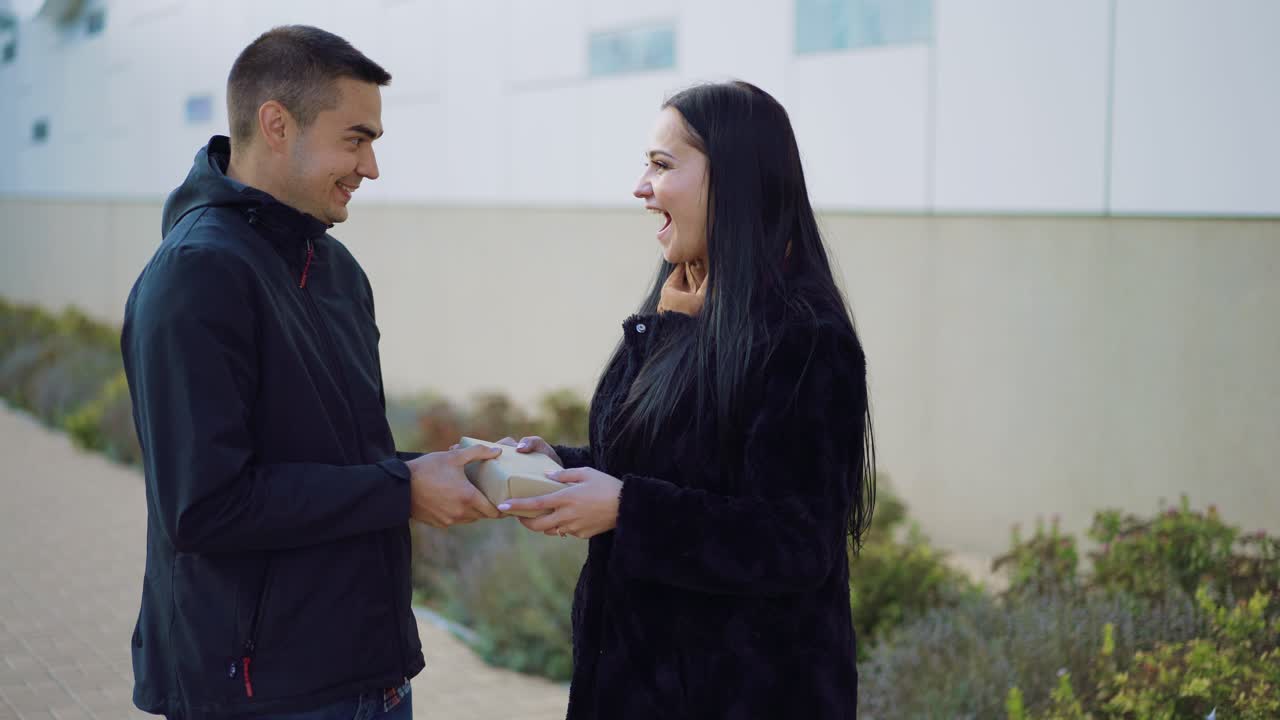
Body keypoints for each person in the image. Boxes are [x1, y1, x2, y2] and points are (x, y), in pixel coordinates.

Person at [121, 25, 501, 720]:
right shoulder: (197, 275)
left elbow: (335, 462)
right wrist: (402, 489)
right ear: (277, 124)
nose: (371, 168)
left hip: (372, 677)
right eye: (356, 139)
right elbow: (205, 507)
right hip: (263, 697)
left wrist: (437, 471)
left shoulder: (334, 270)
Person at [498, 81, 877, 718]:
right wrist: (562, 467)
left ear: (733, 179)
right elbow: (668, 464)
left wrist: (628, 508)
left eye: (661, 165)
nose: (640, 188)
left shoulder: (806, 341)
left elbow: (795, 540)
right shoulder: (681, 301)